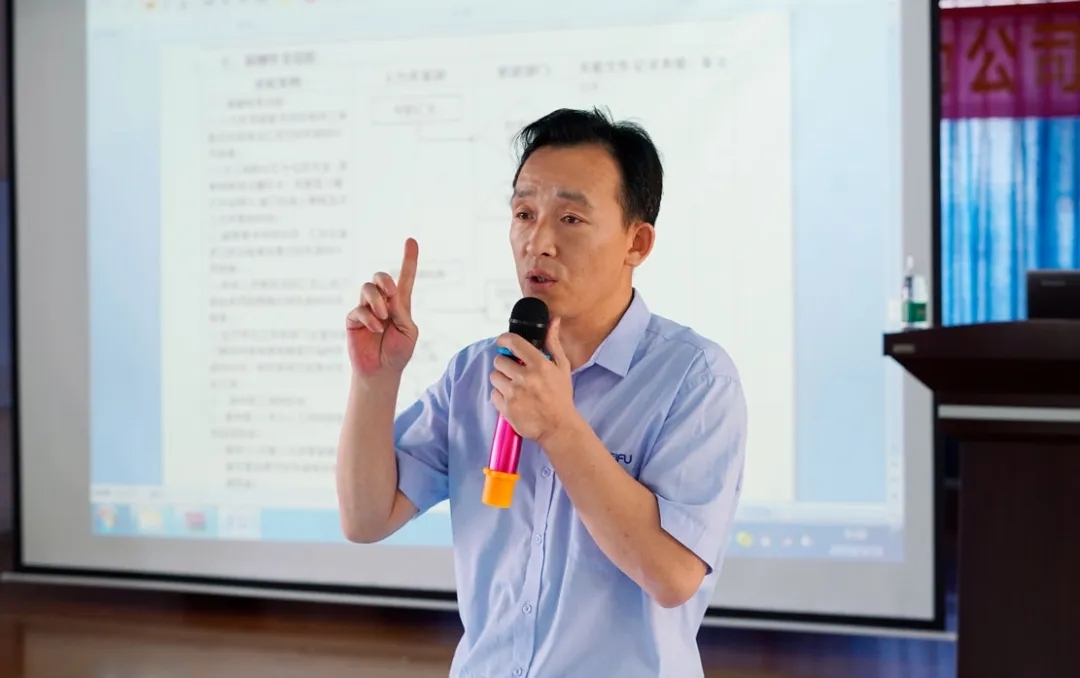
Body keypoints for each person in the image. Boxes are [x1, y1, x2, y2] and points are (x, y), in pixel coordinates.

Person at [337, 107, 747, 678]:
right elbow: (366, 518)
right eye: (524, 214)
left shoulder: (696, 378)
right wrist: (375, 380)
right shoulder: (476, 372)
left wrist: (559, 428)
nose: (539, 242)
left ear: (637, 242)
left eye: (571, 218)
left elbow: (672, 576)